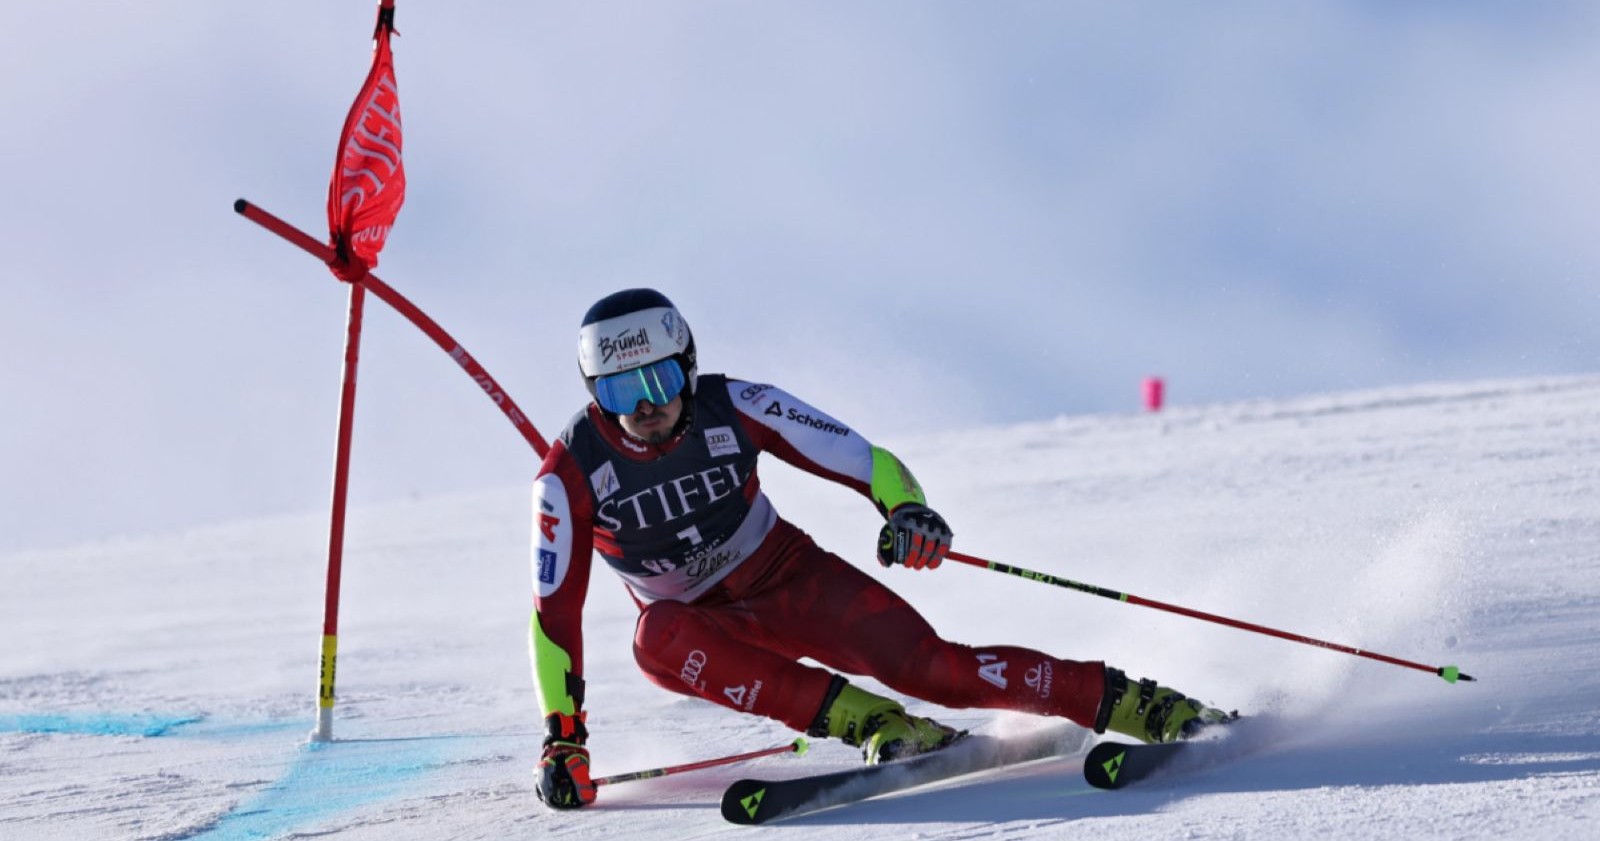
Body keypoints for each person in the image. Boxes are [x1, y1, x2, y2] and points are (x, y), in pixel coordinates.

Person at [530, 288, 1230, 810]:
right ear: (595, 393)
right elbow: (553, 615)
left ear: (687, 367)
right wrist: (563, 737)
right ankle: (879, 725)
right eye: (620, 390)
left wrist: (906, 509)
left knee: (937, 670)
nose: (644, 406)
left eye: (658, 380)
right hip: (702, 628)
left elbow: (862, 456)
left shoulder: (737, 404)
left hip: (788, 578)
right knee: (656, 639)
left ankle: (1149, 706)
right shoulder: (567, 476)